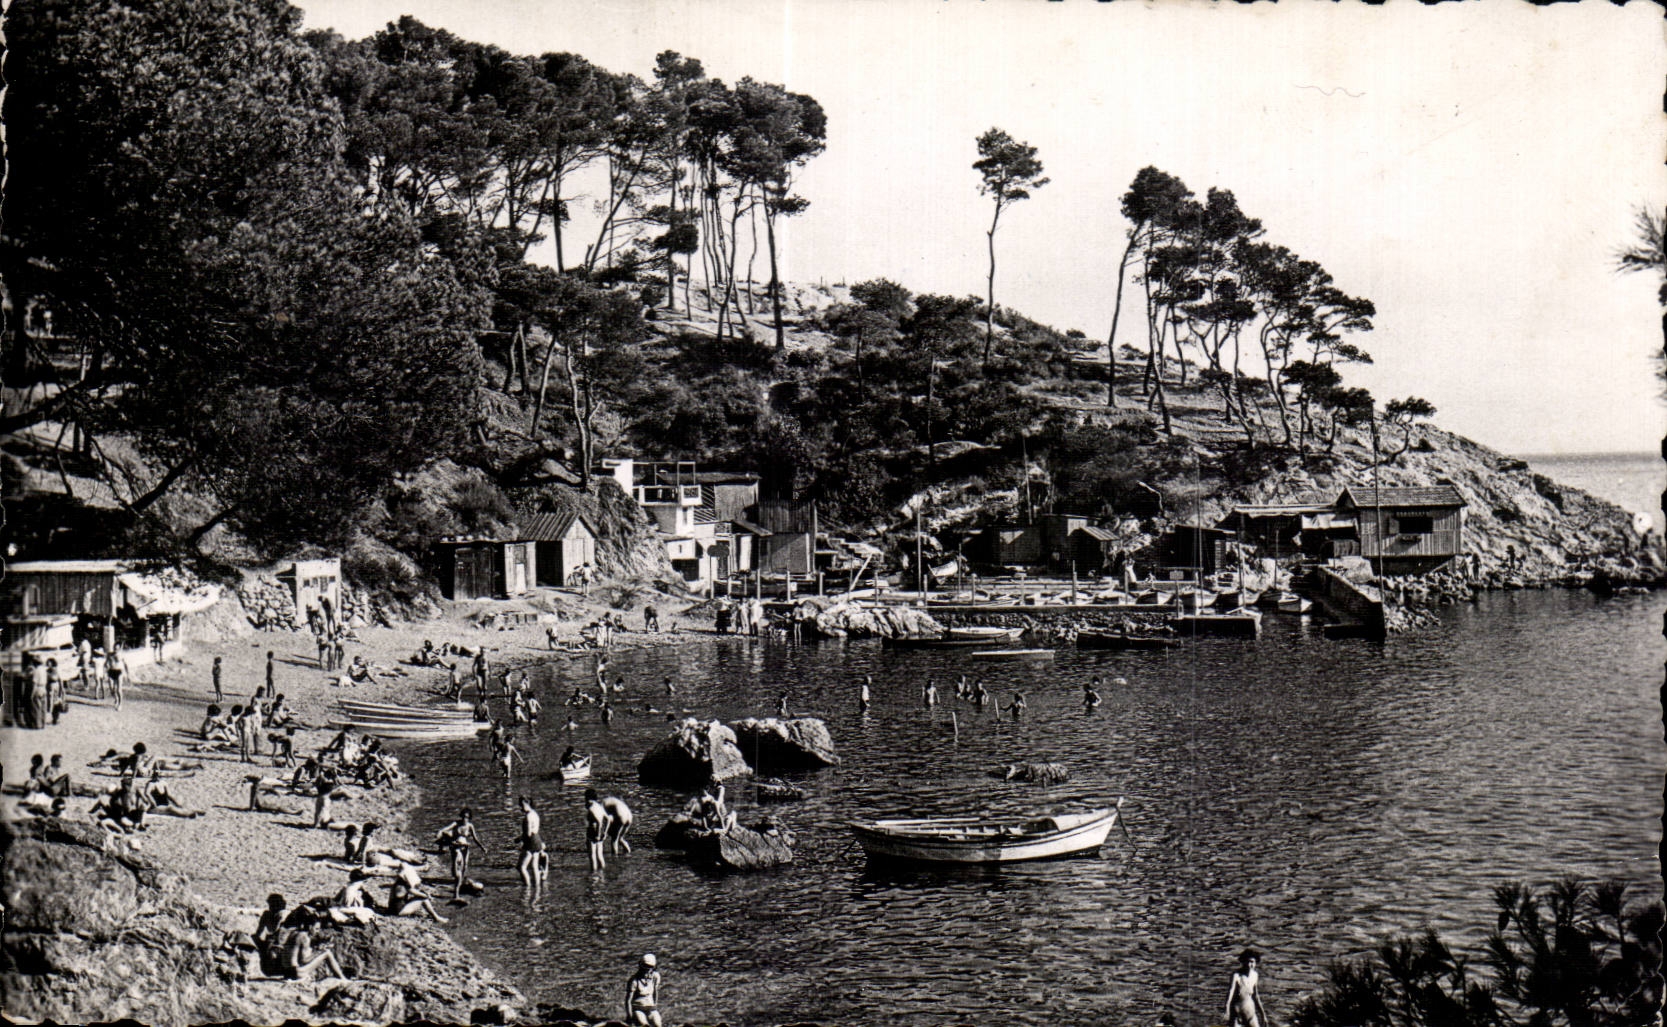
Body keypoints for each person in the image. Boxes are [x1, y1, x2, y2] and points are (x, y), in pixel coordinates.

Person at [436, 808, 483, 899]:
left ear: (469, 818)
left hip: (465, 848)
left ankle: (460, 885)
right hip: (456, 847)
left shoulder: (470, 826)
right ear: (461, 816)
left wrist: (482, 847)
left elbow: (475, 838)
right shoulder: (456, 823)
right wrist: (447, 838)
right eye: (464, 817)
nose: (465, 819)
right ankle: (457, 888)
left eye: (467, 817)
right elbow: (444, 830)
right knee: (456, 868)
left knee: (464, 866)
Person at [1225, 949, 1269, 1027]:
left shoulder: (1255, 975)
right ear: (1243, 962)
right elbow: (1230, 994)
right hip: (1237, 1016)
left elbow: (1256, 996)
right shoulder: (1236, 976)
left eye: (1252, 962)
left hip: (1251, 1015)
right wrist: (1227, 1010)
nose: (1249, 965)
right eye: (1247, 961)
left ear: (1255, 963)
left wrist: (1263, 1015)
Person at [624, 953, 663, 1027]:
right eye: (645, 966)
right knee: (644, 1025)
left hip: (651, 1008)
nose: (647, 969)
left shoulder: (655, 976)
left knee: (658, 1024)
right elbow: (628, 1000)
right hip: (638, 1008)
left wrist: (655, 1005)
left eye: (650, 967)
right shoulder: (634, 980)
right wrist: (629, 1015)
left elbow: (655, 991)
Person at [518, 796, 545, 886]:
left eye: (522, 805)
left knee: (521, 867)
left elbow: (528, 834)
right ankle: (537, 886)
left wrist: (520, 839)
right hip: (537, 840)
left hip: (530, 842)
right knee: (534, 866)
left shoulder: (528, 817)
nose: (521, 808)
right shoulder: (535, 814)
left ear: (527, 803)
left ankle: (527, 887)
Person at [584, 788, 609, 871]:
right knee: (600, 855)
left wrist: (597, 835)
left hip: (593, 832)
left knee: (592, 856)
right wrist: (605, 832)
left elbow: (598, 822)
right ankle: (602, 873)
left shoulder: (591, 809)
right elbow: (608, 819)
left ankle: (593, 875)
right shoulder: (599, 807)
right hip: (601, 832)